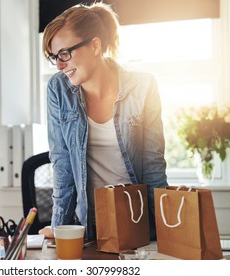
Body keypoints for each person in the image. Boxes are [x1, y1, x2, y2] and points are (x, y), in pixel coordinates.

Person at [39, 2, 168, 241]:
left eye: (65, 54)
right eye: (55, 57)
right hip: (87, 225)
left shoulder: (143, 87)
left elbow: (152, 166)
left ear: (95, 45)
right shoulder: (58, 89)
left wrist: (167, 232)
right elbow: (62, 163)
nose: (59, 65)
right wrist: (60, 228)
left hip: (136, 221)